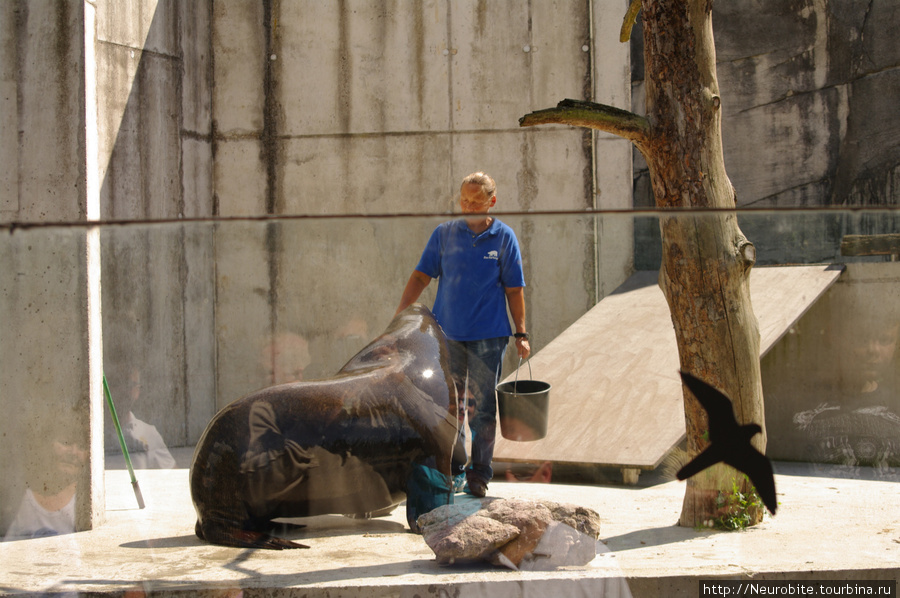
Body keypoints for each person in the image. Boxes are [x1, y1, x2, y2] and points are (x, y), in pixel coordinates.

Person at [395, 171, 530, 497]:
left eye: (475, 201)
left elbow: (514, 290)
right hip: (447, 336)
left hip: (489, 336)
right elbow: (420, 277)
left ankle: (479, 474)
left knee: (482, 409)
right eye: (464, 200)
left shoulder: (503, 237)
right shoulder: (444, 234)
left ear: (491, 202)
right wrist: (400, 315)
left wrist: (521, 332)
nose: (468, 206)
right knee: (448, 406)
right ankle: (450, 470)